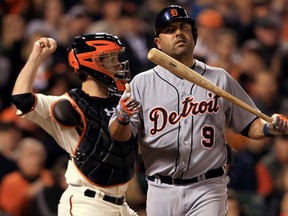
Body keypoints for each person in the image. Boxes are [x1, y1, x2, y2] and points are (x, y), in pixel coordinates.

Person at [109, 5, 288, 216]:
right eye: (170, 30)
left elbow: (249, 124)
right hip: (161, 188)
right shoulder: (142, 83)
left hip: (208, 187)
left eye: (184, 27)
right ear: (157, 42)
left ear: (194, 36)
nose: (178, 33)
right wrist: (122, 118)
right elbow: (118, 136)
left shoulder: (219, 78)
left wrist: (269, 128)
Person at [11, 33, 138, 215]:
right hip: (86, 205)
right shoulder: (68, 104)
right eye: (111, 58)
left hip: (121, 205)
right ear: (93, 62)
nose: (118, 64)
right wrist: (37, 55)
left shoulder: (123, 99)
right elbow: (22, 99)